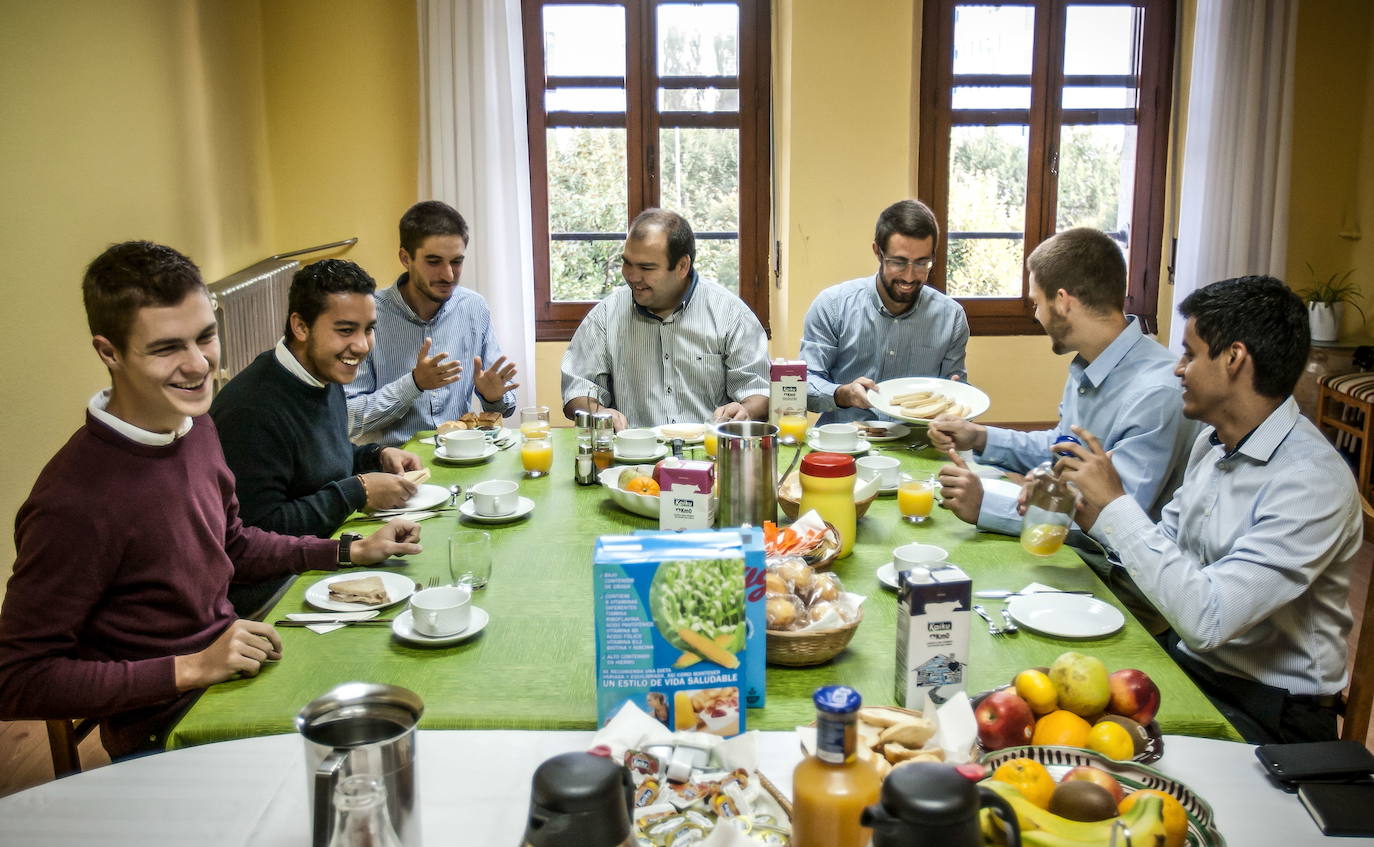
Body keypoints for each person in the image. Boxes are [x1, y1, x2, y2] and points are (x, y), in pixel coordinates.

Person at [0, 242, 422, 759]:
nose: (199, 365)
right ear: (109, 352)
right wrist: (193, 665)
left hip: (233, 666)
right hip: (167, 727)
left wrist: (348, 551)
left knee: (405, 693)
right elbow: (16, 679)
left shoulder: (194, 427)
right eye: (166, 348)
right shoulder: (74, 498)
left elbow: (233, 544)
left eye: (205, 337)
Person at [1055, 276, 1361, 744]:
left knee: (1084, 749)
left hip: (1269, 714)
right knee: (1053, 710)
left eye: (1190, 353)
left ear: (1234, 359)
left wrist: (1117, 507)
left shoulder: (1311, 481)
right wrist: (1096, 519)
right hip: (1190, 668)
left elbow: (1208, 620)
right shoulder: (1213, 445)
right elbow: (1166, 561)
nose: (1178, 369)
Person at [928, 228, 1194, 625]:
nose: (1035, 314)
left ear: (1063, 301)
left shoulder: (1156, 392)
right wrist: (980, 436)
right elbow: (1061, 449)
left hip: (1121, 589)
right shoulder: (1091, 363)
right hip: (1072, 558)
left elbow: (1113, 521)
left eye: (1037, 302)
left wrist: (987, 505)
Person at [211, 259, 424, 615]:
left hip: (322, 553)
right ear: (301, 326)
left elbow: (315, 464)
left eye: (368, 329)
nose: (361, 345)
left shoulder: (323, 372)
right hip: (271, 592)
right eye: (345, 330)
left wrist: (375, 455)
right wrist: (357, 491)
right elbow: (256, 534)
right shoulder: (250, 409)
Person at [560, 208, 769, 430]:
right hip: (633, 457)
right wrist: (599, 413)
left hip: (710, 453)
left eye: (646, 268)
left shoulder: (730, 314)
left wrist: (745, 411)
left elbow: (759, 391)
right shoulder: (605, 316)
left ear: (682, 266)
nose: (632, 276)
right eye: (627, 263)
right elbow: (577, 389)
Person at [346, 201, 520, 445]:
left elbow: (504, 402)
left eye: (456, 262)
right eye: (434, 261)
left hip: (462, 456)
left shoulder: (473, 307)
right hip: (394, 466)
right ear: (406, 258)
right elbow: (349, 419)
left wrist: (494, 398)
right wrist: (414, 384)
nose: (448, 275)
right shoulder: (369, 314)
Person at [800, 199, 969, 425]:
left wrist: (956, 396)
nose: (909, 276)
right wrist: (843, 394)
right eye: (898, 262)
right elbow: (805, 385)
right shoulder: (832, 306)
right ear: (877, 252)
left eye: (922, 263)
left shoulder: (951, 317)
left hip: (917, 444)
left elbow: (955, 387)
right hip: (845, 441)